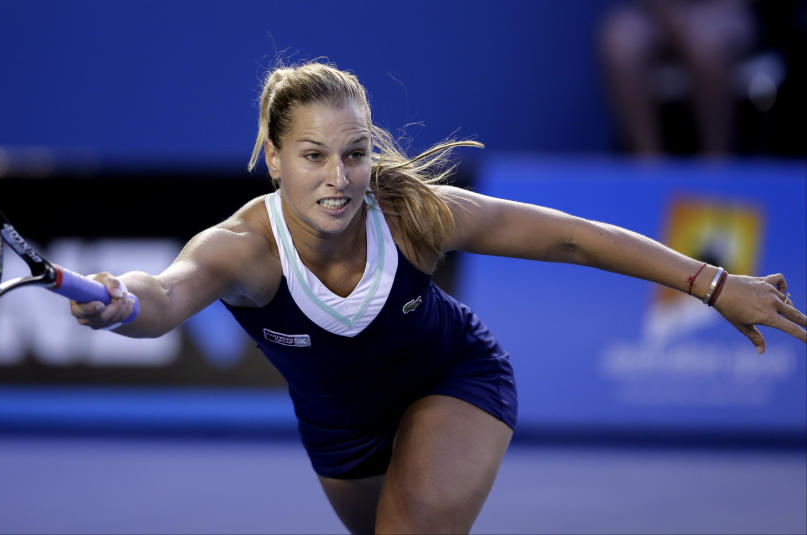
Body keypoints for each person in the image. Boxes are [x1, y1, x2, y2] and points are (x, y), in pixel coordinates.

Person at [70, 61, 806, 534]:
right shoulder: (242, 248)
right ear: (272, 158)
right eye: (312, 155)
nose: (338, 177)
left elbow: (572, 238)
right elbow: (164, 294)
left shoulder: (412, 214)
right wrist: (120, 303)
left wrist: (710, 283)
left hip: (454, 380)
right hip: (339, 433)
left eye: (354, 153)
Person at [598, 0, 756, 156]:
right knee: (621, 41)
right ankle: (648, 161)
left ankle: (716, 160)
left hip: (725, 9)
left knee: (705, 43)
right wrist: (670, 14)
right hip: (658, 11)